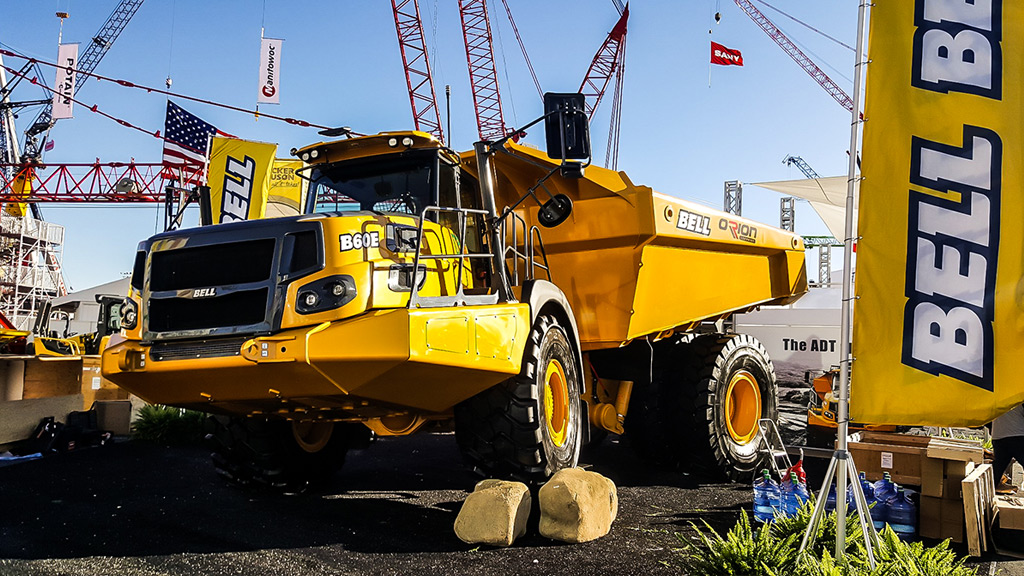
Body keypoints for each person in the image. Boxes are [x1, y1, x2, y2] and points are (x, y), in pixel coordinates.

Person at [992, 403, 1024, 494]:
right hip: (1018, 435)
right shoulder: (1019, 396)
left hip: (999, 436)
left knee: (997, 470)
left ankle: (984, 498)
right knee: (997, 469)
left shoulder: (995, 397)